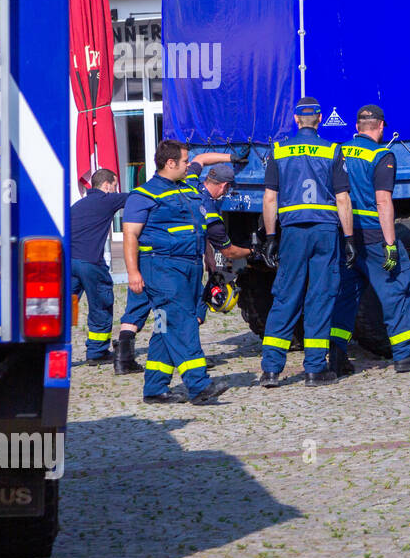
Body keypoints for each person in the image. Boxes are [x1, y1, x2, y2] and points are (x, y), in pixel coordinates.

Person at [328, 105, 410, 376]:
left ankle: (337, 355)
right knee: (397, 288)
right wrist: (390, 244)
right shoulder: (382, 156)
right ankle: (406, 354)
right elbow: (383, 201)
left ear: (356, 128)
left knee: (346, 296)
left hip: (345, 234)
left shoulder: (339, 151)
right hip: (374, 234)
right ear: (380, 127)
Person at [115, 147, 242, 375]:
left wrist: (231, 157)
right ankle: (195, 374)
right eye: (184, 161)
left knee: (151, 313)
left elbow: (201, 160)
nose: (188, 164)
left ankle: (125, 360)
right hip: (164, 266)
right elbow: (130, 234)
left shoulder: (189, 181)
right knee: (182, 315)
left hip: (159, 265)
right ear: (172, 163)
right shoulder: (174, 192)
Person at [259, 96, 356, 387]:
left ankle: (272, 370)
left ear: (296, 119)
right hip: (325, 232)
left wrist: (271, 237)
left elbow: (270, 198)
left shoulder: (278, 151)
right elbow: (342, 199)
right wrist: (349, 237)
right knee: (320, 297)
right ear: (320, 118)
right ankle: (315, 369)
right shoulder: (332, 151)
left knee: (286, 296)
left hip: (292, 232)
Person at [69, 168, 128, 365]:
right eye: (114, 185)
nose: (116, 189)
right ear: (106, 185)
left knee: (67, 305)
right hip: (91, 262)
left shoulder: (77, 205)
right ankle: (97, 352)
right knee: (101, 305)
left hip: (70, 262)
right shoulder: (107, 200)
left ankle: (49, 347)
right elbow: (137, 197)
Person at [196, 163, 252, 323]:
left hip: (157, 257)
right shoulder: (213, 218)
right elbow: (230, 252)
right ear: (225, 186)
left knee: (162, 309)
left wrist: (209, 255)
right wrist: (253, 251)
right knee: (193, 304)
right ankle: (188, 342)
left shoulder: (193, 185)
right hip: (183, 263)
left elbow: (200, 159)